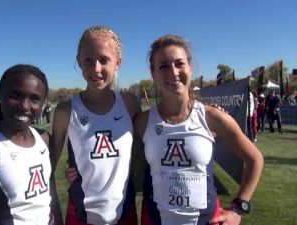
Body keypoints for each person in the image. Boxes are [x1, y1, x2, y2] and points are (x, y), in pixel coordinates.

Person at [132, 34, 264, 225]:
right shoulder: (143, 121)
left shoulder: (213, 118)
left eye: (179, 63)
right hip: (153, 219)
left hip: (207, 220)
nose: (173, 72)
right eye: (163, 66)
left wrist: (238, 208)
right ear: (153, 74)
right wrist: (76, 169)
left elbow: (255, 159)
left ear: (190, 68)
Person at [51, 26, 141, 225]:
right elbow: (45, 168)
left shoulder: (130, 103)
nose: (96, 69)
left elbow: (154, 138)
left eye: (104, 60)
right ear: (79, 62)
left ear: (118, 63)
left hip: (125, 214)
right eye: (88, 60)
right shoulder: (65, 111)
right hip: (80, 216)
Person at [0, 64, 63, 225]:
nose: (24, 106)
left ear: (43, 103)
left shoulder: (45, 139)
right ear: (0, 96)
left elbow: (51, 195)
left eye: (34, 99)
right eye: (16, 96)